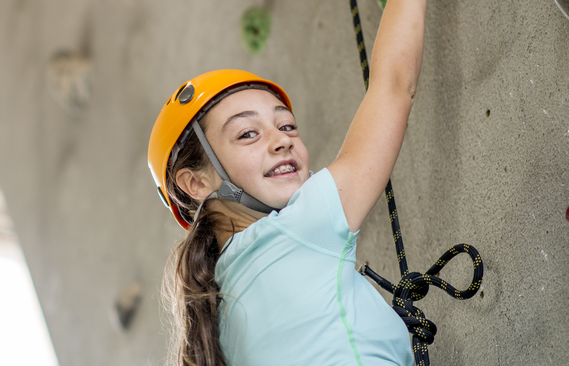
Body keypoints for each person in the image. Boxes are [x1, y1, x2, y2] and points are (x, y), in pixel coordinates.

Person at [147, 1, 428, 365]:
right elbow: (394, 85)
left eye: (287, 126)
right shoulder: (298, 230)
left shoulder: (216, 325)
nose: (282, 140)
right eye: (248, 133)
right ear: (195, 184)